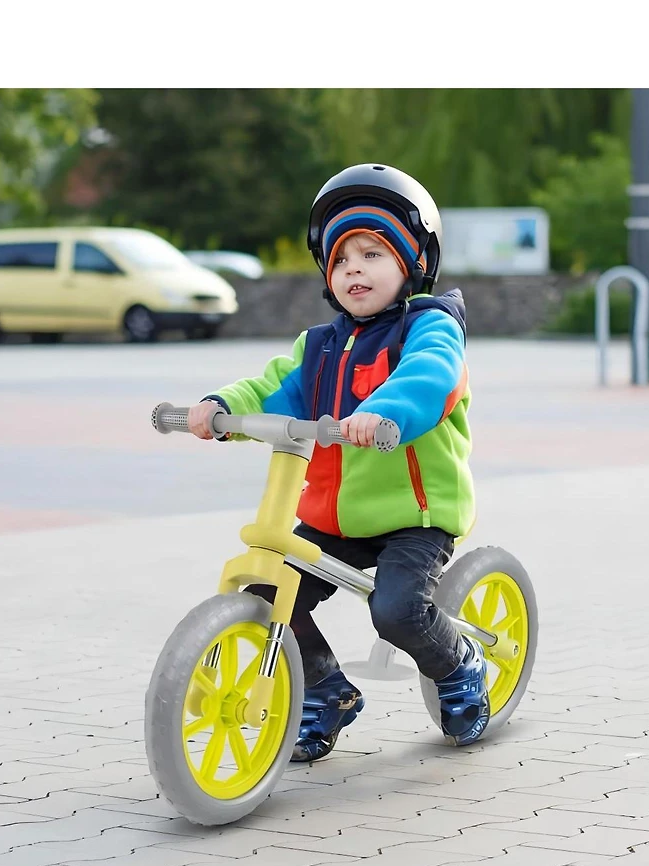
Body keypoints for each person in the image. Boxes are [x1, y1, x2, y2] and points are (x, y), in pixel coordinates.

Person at [187, 163, 489, 761]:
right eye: (342, 258)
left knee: (398, 610)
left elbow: (427, 379)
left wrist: (387, 413)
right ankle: (325, 692)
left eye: (373, 253)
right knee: (273, 589)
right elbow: (275, 388)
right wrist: (222, 408)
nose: (354, 268)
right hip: (333, 517)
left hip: (413, 516)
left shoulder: (430, 329)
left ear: (412, 265)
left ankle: (459, 666)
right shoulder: (319, 347)